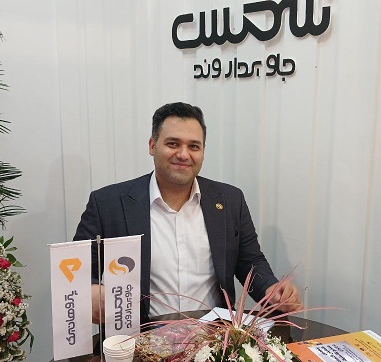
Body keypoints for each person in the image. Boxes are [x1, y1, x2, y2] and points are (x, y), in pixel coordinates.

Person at [74, 102, 301, 324]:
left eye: (194, 146)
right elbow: (78, 272)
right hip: (142, 335)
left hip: (215, 336)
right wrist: (90, 291)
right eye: (173, 143)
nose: (183, 155)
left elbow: (250, 261)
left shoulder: (230, 200)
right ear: (152, 146)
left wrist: (271, 289)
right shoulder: (108, 204)